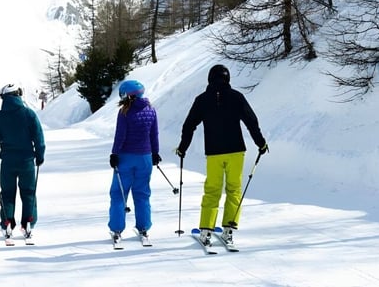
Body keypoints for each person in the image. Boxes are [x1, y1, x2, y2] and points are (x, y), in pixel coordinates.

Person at [175, 64, 268, 247]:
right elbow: (251, 121)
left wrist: (182, 147)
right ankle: (228, 231)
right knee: (234, 190)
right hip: (236, 152)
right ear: (228, 78)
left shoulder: (202, 100)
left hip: (214, 153)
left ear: (210, 79)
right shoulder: (236, 97)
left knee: (212, 191)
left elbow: (189, 125)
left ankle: (206, 231)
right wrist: (261, 143)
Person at [0, 83, 46, 240]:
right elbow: (38, 136)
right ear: (17, 95)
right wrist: (40, 155)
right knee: (28, 192)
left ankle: (7, 222)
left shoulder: (0, 117)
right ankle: (28, 222)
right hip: (26, 161)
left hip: (7, 162)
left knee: (7, 193)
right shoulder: (28, 114)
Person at [108, 80, 161, 241]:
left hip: (126, 158)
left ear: (128, 95)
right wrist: (155, 153)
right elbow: (154, 135)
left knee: (118, 194)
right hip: (145, 158)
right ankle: (144, 227)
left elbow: (120, 136)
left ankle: (117, 228)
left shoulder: (125, 111)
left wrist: (114, 154)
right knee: (142, 193)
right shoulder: (151, 110)